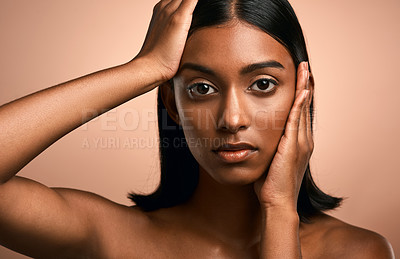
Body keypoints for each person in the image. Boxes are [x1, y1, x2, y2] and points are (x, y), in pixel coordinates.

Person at [0, 0, 395, 258]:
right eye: (201, 88)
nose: (232, 119)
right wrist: (143, 69)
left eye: (262, 84)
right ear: (172, 103)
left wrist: (279, 214)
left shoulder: (358, 251)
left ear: (302, 94)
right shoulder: (111, 237)